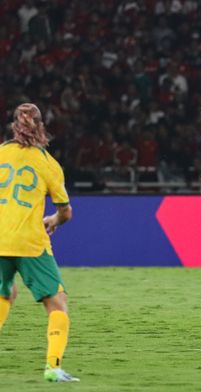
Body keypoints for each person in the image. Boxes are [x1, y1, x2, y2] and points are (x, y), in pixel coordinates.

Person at [0, 103, 79, 382]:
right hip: (29, 242)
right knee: (57, 303)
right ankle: (53, 368)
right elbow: (65, 212)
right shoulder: (48, 164)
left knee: (5, 293)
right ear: (41, 126)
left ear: (13, 126)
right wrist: (53, 221)